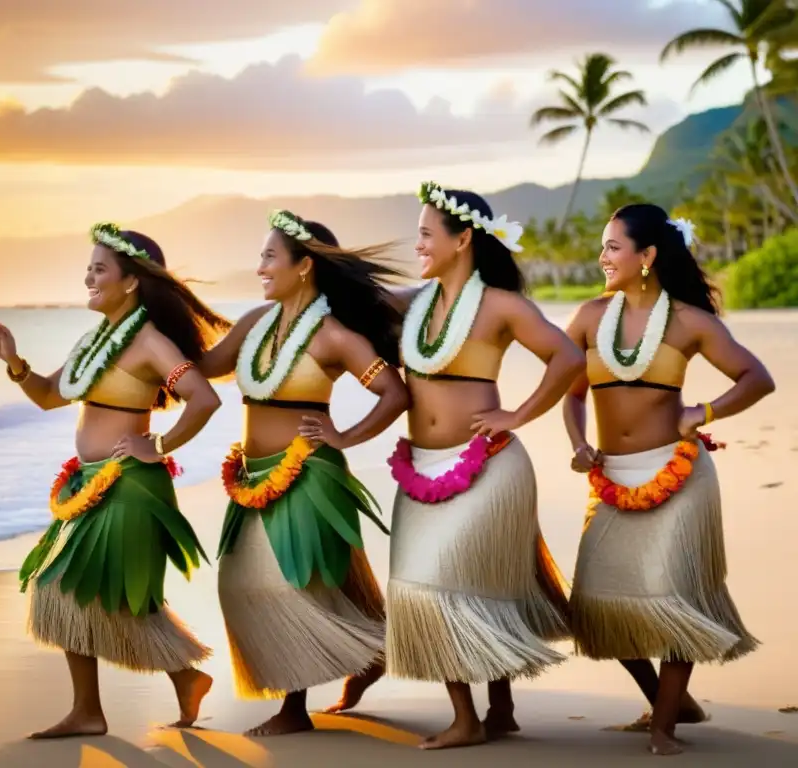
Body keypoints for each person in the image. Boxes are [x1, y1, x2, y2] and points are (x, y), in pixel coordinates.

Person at [0, 223, 230, 738]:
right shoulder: (97, 339)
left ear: (131, 281)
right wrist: (14, 363)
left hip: (129, 486)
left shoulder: (149, 343)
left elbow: (204, 398)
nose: (89, 277)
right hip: (89, 484)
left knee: (67, 587)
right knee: (105, 597)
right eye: (89, 268)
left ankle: (93, 709)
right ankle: (172, 682)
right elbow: (51, 395)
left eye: (100, 268)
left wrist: (158, 445)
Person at [563, 204, 774, 756]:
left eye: (613, 247)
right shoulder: (589, 317)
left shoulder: (688, 321)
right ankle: (669, 699)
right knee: (597, 602)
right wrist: (579, 444)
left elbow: (758, 378)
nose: (602, 256)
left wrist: (701, 413)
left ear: (647, 256)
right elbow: (571, 391)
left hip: (679, 478)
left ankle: (663, 727)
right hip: (613, 476)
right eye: (603, 245)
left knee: (679, 598)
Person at [384, 182, 581, 750]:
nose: (418, 243)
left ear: (463, 237)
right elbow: (354, 306)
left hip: (489, 465)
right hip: (421, 466)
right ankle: (497, 706)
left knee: (449, 585)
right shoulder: (415, 302)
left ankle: (469, 719)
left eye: (426, 233)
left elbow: (565, 357)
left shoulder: (500, 304)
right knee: (436, 585)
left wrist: (517, 414)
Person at [198, 209, 409, 736]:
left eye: (270, 256)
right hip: (252, 477)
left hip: (307, 474)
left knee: (289, 587)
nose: (261, 267)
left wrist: (344, 437)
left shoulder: (333, 336)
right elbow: (203, 368)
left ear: (304, 266)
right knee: (237, 583)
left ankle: (294, 710)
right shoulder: (252, 325)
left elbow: (394, 393)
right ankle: (370, 653)